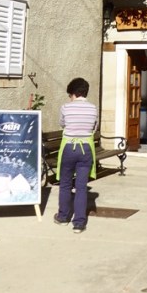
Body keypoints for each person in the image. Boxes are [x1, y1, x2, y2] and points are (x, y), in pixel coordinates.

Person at [54, 77, 98, 233]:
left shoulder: (66, 107)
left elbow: (62, 124)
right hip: (86, 148)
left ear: (72, 93)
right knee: (81, 187)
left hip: (69, 147)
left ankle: (63, 216)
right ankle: (79, 223)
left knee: (65, 184)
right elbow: (94, 127)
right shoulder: (93, 108)